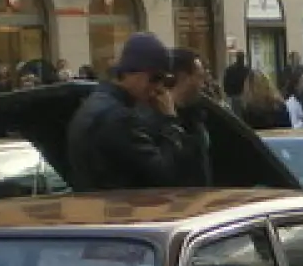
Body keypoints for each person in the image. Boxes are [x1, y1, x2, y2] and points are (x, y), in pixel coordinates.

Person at [67, 32, 210, 190]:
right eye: (155, 78)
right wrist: (170, 119)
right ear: (131, 72)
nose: (158, 87)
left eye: (163, 80)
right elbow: (166, 176)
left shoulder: (92, 105)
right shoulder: (119, 118)